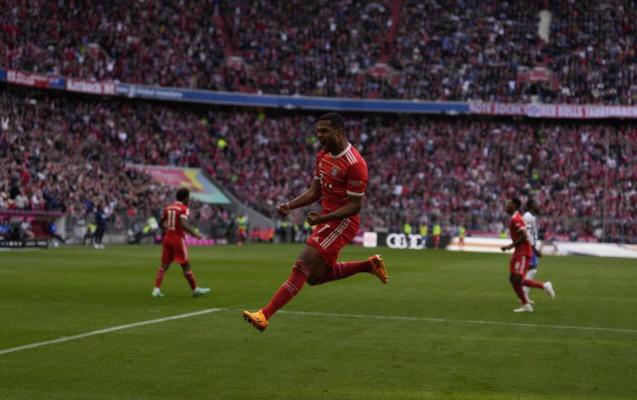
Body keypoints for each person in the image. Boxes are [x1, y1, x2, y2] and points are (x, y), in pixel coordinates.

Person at [242, 113, 389, 331]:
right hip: (327, 220)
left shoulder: (355, 164)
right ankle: (368, 266)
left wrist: (323, 218)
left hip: (343, 222)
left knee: (303, 263)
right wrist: (290, 205)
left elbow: (355, 206)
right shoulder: (323, 156)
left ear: (339, 132)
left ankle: (264, 314)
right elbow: (315, 191)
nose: (319, 136)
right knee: (314, 277)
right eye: (317, 131)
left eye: (324, 131)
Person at [152, 188, 211, 298]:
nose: (189, 199)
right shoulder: (184, 209)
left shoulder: (168, 207)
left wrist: (169, 228)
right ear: (185, 198)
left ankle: (156, 289)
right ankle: (195, 290)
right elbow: (184, 224)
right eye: (188, 197)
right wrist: (196, 234)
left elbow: (160, 224)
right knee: (185, 264)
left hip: (167, 238)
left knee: (164, 265)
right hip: (177, 240)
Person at [500, 198, 555, 313]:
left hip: (523, 252)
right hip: (518, 251)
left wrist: (510, 246)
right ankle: (526, 303)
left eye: (509, 204)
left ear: (514, 205)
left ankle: (542, 287)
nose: (506, 205)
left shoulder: (517, 218)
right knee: (513, 278)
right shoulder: (519, 217)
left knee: (519, 278)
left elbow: (525, 236)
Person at [523, 199, 542, 303]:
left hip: (531, 246)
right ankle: (523, 294)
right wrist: (534, 249)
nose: (538, 206)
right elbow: (527, 234)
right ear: (531, 206)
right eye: (536, 204)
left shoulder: (532, 216)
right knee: (532, 269)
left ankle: (524, 295)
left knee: (532, 269)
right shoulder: (528, 216)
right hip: (529, 247)